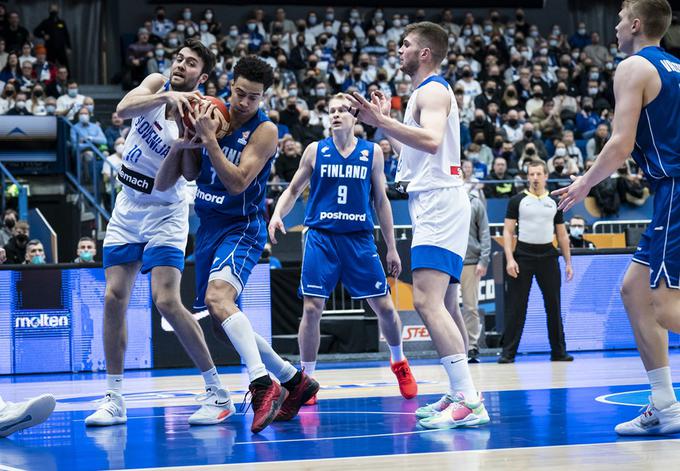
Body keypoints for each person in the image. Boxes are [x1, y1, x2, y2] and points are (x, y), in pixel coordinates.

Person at [157, 55, 319, 434]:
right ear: (230, 86)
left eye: (254, 97)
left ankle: (262, 383)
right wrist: (189, 141)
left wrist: (210, 139)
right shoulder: (210, 112)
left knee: (218, 300)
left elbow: (238, 182)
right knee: (219, 324)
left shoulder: (265, 131)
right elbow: (194, 173)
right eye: (240, 94)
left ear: (263, 97)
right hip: (210, 227)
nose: (244, 103)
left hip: (242, 227)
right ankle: (295, 381)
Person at [85, 39, 236, 429]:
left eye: (190, 64)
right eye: (178, 59)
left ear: (202, 77)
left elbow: (182, 175)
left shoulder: (202, 115)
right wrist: (168, 95)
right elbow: (121, 110)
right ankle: (114, 399)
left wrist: (189, 140)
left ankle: (216, 391)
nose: (179, 65)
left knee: (166, 301)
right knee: (113, 297)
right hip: (126, 206)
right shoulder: (154, 84)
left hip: (166, 211)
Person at [346, 22, 489, 430]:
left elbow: (430, 140)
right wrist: (386, 121)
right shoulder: (423, 94)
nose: (399, 50)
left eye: (405, 44)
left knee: (426, 301)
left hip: (440, 202)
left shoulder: (432, 91)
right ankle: (462, 391)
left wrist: (382, 122)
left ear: (424, 52)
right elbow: (418, 147)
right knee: (444, 304)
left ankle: (468, 397)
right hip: (436, 200)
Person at [553, 0, 680, 436]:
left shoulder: (632, 68)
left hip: (675, 189)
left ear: (637, 24)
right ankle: (665, 404)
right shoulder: (675, 66)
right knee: (633, 291)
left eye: (622, 19)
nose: (616, 27)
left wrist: (584, 183)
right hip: (670, 189)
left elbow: (621, 144)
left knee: (664, 307)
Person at [268, 93, 418, 406]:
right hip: (321, 237)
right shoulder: (314, 151)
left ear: (354, 117)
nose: (336, 114)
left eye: (342, 111)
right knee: (312, 309)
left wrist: (391, 247)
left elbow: (381, 201)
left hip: (359, 238)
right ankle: (305, 381)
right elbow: (294, 189)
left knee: (386, 308)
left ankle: (399, 361)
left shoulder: (372, 152)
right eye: (331, 111)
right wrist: (278, 213)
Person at [500, 160, 574, 364]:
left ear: (546, 176)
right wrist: (510, 259)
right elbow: (507, 231)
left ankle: (559, 352)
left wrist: (568, 262)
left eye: (538, 174)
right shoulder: (517, 200)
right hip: (523, 256)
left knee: (554, 305)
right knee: (517, 306)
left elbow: (562, 234)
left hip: (548, 256)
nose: (535, 178)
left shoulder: (554, 201)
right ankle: (508, 353)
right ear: (527, 176)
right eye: (531, 174)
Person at [461, 190, 491, 363]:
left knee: (470, 307)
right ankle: (452, 346)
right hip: (448, 259)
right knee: (443, 308)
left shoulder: (474, 203)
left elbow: (485, 233)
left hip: (470, 261)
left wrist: (483, 260)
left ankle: (472, 346)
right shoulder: (443, 200)